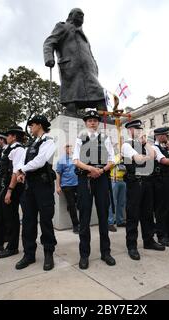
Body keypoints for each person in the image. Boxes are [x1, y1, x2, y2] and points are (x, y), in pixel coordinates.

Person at [73, 110, 116, 269]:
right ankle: (84, 255)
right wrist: (91, 169)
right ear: (85, 123)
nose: (92, 122)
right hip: (85, 179)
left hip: (102, 177)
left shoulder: (105, 138)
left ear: (98, 123)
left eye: (95, 120)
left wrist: (101, 171)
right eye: (89, 120)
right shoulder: (80, 138)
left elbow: (112, 159)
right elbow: (76, 160)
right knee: (84, 217)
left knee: (103, 215)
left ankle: (106, 252)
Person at [43, 8, 106, 116]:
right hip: (71, 67)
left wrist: (95, 67)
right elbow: (49, 42)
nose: (81, 17)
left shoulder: (84, 36)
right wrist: (49, 57)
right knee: (72, 95)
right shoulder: (62, 27)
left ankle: (104, 116)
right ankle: (71, 112)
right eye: (79, 14)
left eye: (83, 15)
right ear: (71, 15)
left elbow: (90, 53)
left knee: (99, 93)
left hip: (89, 70)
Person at [15, 115, 58, 271]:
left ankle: (48, 253)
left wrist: (22, 170)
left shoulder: (49, 141)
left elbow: (40, 161)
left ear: (39, 125)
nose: (30, 128)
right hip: (29, 186)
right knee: (28, 221)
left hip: (43, 185)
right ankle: (29, 254)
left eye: (31, 125)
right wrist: (21, 172)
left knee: (46, 221)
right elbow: (22, 162)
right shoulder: (31, 144)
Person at [122, 120, 165, 260]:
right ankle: (132, 245)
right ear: (129, 130)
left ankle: (149, 240)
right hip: (135, 183)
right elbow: (139, 159)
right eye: (136, 129)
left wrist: (146, 143)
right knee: (133, 215)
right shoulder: (126, 145)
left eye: (140, 129)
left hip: (147, 181)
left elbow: (153, 156)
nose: (140, 131)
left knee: (147, 213)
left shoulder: (143, 144)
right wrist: (147, 156)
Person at [0, 126, 26, 259]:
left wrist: (10, 190)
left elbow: (17, 171)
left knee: (11, 217)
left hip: (12, 186)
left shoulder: (18, 149)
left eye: (8, 136)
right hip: (5, 184)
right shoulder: (9, 149)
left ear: (13, 137)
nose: (6, 138)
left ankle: (12, 247)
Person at [153, 127, 169, 247]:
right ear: (159, 136)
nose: (167, 137)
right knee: (162, 209)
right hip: (161, 181)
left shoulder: (166, 148)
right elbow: (165, 161)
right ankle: (162, 235)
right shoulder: (154, 147)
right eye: (165, 135)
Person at [56, 144, 80, 234]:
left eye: (70, 146)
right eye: (67, 146)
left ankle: (71, 205)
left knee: (80, 203)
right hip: (67, 185)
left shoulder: (76, 158)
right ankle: (75, 225)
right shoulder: (61, 160)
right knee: (72, 205)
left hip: (77, 184)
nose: (69, 148)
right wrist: (58, 186)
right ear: (64, 148)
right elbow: (58, 173)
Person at [108, 142, 126, 232]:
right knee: (112, 202)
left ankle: (120, 220)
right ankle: (110, 222)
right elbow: (112, 163)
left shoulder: (124, 157)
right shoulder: (113, 156)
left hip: (122, 180)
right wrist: (120, 156)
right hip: (113, 180)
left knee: (121, 202)